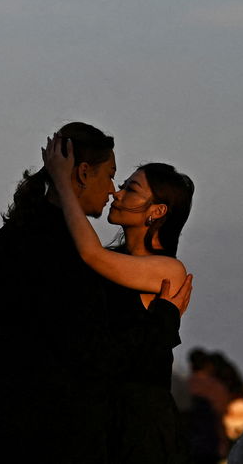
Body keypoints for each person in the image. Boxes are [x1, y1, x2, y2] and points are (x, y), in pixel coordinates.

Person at [0, 121, 126, 464]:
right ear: (84, 172)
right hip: (51, 436)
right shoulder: (55, 244)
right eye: (110, 175)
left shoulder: (20, 234)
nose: (112, 190)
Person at [44, 134, 197, 464]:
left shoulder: (167, 269)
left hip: (139, 427)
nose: (116, 192)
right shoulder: (112, 260)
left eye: (131, 189)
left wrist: (63, 183)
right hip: (98, 418)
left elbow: (90, 253)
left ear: (156, 210)